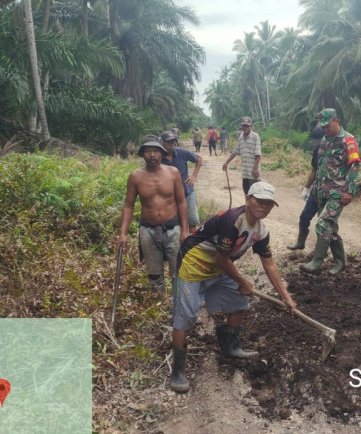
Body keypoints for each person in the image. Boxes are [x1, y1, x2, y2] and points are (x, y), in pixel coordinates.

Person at [169, 182, 296, 393]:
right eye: (259, 201)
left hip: (219, 267)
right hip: (194, 263)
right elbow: (221, 258)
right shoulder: (232, 220)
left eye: (268, 204)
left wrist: (285, 297)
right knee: (186, 316)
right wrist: (242, 282)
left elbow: (269, 263)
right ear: (247, 199)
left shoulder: (261, 231)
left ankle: (231, 347)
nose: (264, 206)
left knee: (239, 301)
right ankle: (177, 371)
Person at [118, 135, 189, 297]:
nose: (152, 155)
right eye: (148, 151)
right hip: (148, 230)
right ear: (142, 154)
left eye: (156, 151)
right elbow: (128, 205)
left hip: (173, 228)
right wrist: (123, 234)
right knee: (154, 272)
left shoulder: (173, 173)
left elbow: (181, 202)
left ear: (162, 153)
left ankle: (179, 304)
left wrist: (185, 230)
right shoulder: (135, 176)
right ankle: (159, 301)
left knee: (179, 270)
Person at [300, 109, 360, 275]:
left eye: (328, 126)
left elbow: (354, 166)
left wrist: (349, 191)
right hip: (323, 193)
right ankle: (340, 262)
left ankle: (316, 262)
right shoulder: (325, 139)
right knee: (330, 228)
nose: (326, 129)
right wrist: (316, 192)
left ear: (337, 121)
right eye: (323, 127)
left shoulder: (348, 140)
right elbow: (320, 167)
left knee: (323, 224)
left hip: (338, 193)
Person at [287, 124, 325, 250]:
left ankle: (322, 250)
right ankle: (300, 242)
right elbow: (314, 170)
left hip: (328, 193)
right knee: (304, 216)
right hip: (315, 190)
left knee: (324, 223)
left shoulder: (332, 151)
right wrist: (306, 188)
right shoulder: (316, 151)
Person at [161, 131, 203, 233]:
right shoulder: (159, 158)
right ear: (161, 143)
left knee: (192, 223)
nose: (171, 145)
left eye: (173, 142)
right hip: (170, 196)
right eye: (168, 142)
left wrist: (194, 176)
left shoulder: (182, 153)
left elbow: (199, 159)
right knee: (175, 224)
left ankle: (191, 242)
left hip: (187, 192)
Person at [222, 116, 261, 197]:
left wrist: (255, 168)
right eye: (244, 126)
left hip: (253, 172)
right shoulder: (241, 138)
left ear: (251, 126)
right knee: (246, 193)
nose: (245, 128)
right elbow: (235, 152)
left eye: (247, 126)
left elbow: (258, 154)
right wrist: (226, 162)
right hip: (245, 172)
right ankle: (247, 205)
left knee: (255, 196)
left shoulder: (255, 136)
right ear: (242, 126)